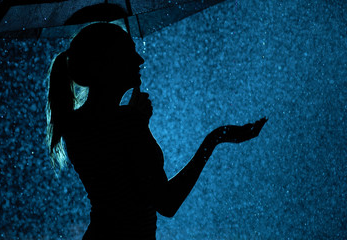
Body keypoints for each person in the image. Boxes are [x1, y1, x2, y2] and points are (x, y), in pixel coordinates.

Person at [46, 23, 267, 240]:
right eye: (129, 52)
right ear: (108, 63)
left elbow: (117, 186)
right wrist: (215, 138)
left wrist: (135, 120)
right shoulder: (128, 123)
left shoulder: (75, 123)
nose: (139, 60)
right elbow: (167, 203)